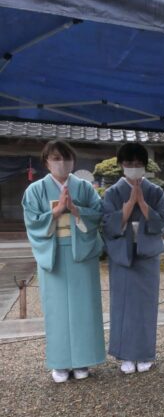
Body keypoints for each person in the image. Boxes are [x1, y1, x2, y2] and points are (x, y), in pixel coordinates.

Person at [22, 140, 105, 382]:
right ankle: (59, 363)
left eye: (66, 158)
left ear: (73, 161)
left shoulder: (85, 188)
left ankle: (82, 361)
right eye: (56, 158)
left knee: (84, 309)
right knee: (56, 312)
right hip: (53, 253)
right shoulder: (35, 190)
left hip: (82, 253)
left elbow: (98, 215)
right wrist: (56, 212)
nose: (62, 163)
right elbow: (32, 222)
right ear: (46, 161)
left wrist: (76, 210)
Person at [101, 143, 164, 375]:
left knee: (146, 306)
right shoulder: (112, 192)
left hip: (147, 253)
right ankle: (125, 356)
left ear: (145, 166)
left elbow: (162, 222)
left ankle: (145, 354)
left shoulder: (155, 191)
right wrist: (129, 205)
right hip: (123, 253)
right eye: (129, 164)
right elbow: (108, 225)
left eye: (138, 164)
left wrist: (142, 203)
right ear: (121, 165)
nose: (133, 167)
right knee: (122, 305)